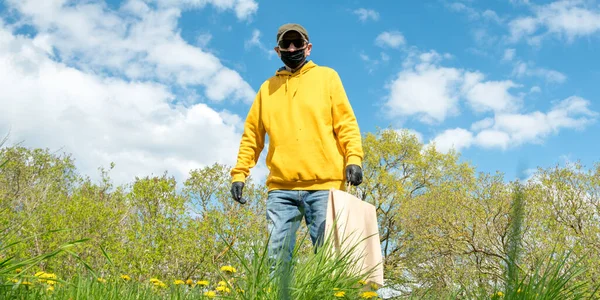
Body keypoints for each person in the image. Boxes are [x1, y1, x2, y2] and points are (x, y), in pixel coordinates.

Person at [229, 22, 364, 291]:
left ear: (308, 47)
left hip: (325, 186)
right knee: (277, 260)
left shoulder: (327, 78)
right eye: (286, 44)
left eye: (297, 43)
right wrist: (239, 173)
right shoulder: (266, 89)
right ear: (277, 50)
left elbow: (346, 124)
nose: (292, 48)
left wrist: (354, 159)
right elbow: (252, 137)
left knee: (331, 259)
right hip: (281, 189)